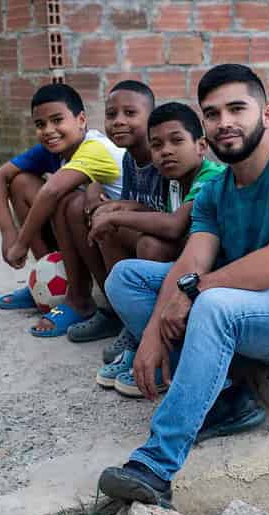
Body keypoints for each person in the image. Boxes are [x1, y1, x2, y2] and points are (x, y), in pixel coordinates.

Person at [96, 64, 269, 507]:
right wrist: (154, 332)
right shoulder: (217, 189)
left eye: (237, 108)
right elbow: (192, 260)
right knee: (127, 277)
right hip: (244, 301)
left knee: (211, 302)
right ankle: (224, 401)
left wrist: (192, 293)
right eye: (213, 114)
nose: (224, 122)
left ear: (267, 114)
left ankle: (156, 466)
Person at [91, 101, 226, 395]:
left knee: (151, 244)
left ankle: (161, 354)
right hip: (187, 269)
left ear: (201, 146)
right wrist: (126, 206)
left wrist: (116, 215)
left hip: (214, 276)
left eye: (176, 141)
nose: (165, 151)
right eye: (157, 145)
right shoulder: (176, 180)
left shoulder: (211, 176)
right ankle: (139, 334)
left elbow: (175, 225)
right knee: (137, 237)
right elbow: (168, 218)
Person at [0, 83, 126, 338]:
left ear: (81, 120)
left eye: (57, 120)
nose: (48, 130)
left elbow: (51, 191)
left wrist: (20, 243)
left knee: (67, 201)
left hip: (124, 235)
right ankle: (48, 278)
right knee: (24, 183)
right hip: (107, 230)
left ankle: (85, 300)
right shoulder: (64, 151)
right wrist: (7, 233)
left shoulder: (95, 146)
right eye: (40, 124)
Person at [67, 80, 159, 356]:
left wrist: (118, 211)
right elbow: (134, 202)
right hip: (151, 233)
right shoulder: (130, 159)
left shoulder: (163, 156)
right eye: (111, 115)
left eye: (130, 114)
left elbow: (170, 216)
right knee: (107, 223)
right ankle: (120, 315)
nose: (118, 122)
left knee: (142, 240)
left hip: (174, 245)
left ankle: (146, 329)